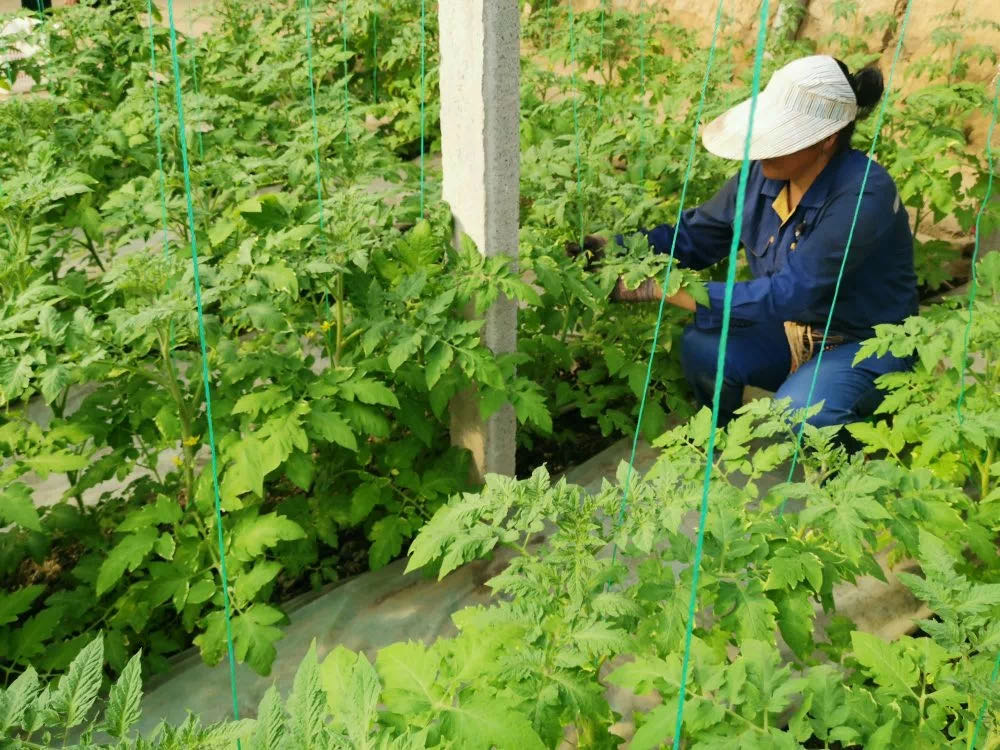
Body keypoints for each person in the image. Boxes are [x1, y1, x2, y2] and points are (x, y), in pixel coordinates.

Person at [607, 55, 917, 430]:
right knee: (705, 349)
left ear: (827, 139)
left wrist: (664, 287)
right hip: (789, 333)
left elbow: (791, 293)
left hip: (865, 344)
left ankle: (843, 473)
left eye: (781, 137)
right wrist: (614, 250)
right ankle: (715, 447)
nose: (762, 148)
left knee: (803, 410)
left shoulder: (864, 194)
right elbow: (695, 237)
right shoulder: (762, 176)